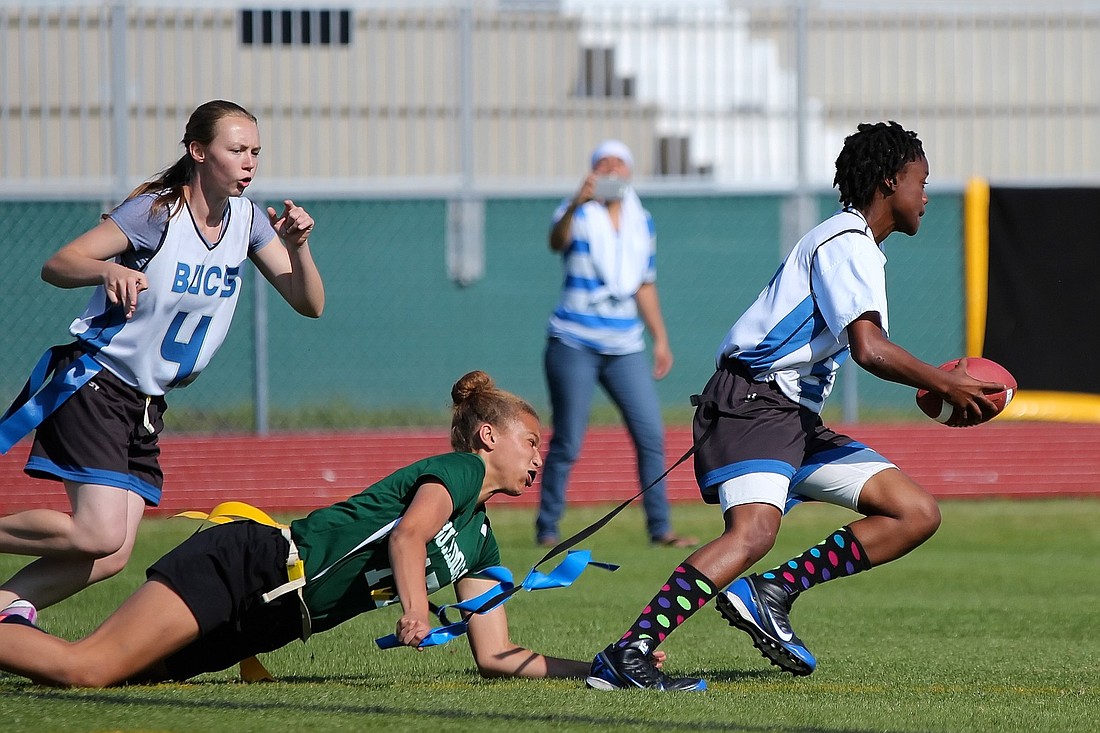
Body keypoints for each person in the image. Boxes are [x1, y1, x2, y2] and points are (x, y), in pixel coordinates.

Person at [584, 121, 1007, 691]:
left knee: (915, 512)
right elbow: (869, 349)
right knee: (753, 533)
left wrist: (935, 380)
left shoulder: (857, 247)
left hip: (790, 417)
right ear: (889, 181)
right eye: (920, 181)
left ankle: (771, 591)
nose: (926, 195)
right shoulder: (846, 243)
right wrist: (945, 383)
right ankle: (629, 653)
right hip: (753, 402)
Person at [0, 371, 667, 688]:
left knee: (105, 676)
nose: (537, 456)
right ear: (488, 436)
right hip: (250, 566)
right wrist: (412, 608)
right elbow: (408, 538)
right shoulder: (459, 471)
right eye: (530, 440)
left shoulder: (481, 536)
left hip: (269, 622)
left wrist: (600, 666)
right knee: (87, 668)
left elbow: (495, 655)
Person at [0, 100, 325, 624]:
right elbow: (58, 264)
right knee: (97, 532)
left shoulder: (246, 220)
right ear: (198, 151)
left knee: (110, 555)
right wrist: (106, 270)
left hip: (146, 402)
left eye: (256, 152)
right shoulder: (156, 212)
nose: (249, 162)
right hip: (97, 382)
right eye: (236, 149)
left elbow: (309, 303)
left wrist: (299, 246)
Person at [537, 139, 694, 549]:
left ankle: (660, 528)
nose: (611, 170)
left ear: (629, 172)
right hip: (574, 340)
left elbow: (643, 283)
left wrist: (660, 338)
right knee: (568, 439)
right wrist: (576, 201)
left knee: (650, 435)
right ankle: (548, 526)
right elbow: (557, 241)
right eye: (603, 163)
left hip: (624, 344)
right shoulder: (578, 211)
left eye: (618, 164)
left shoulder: (643, 222)